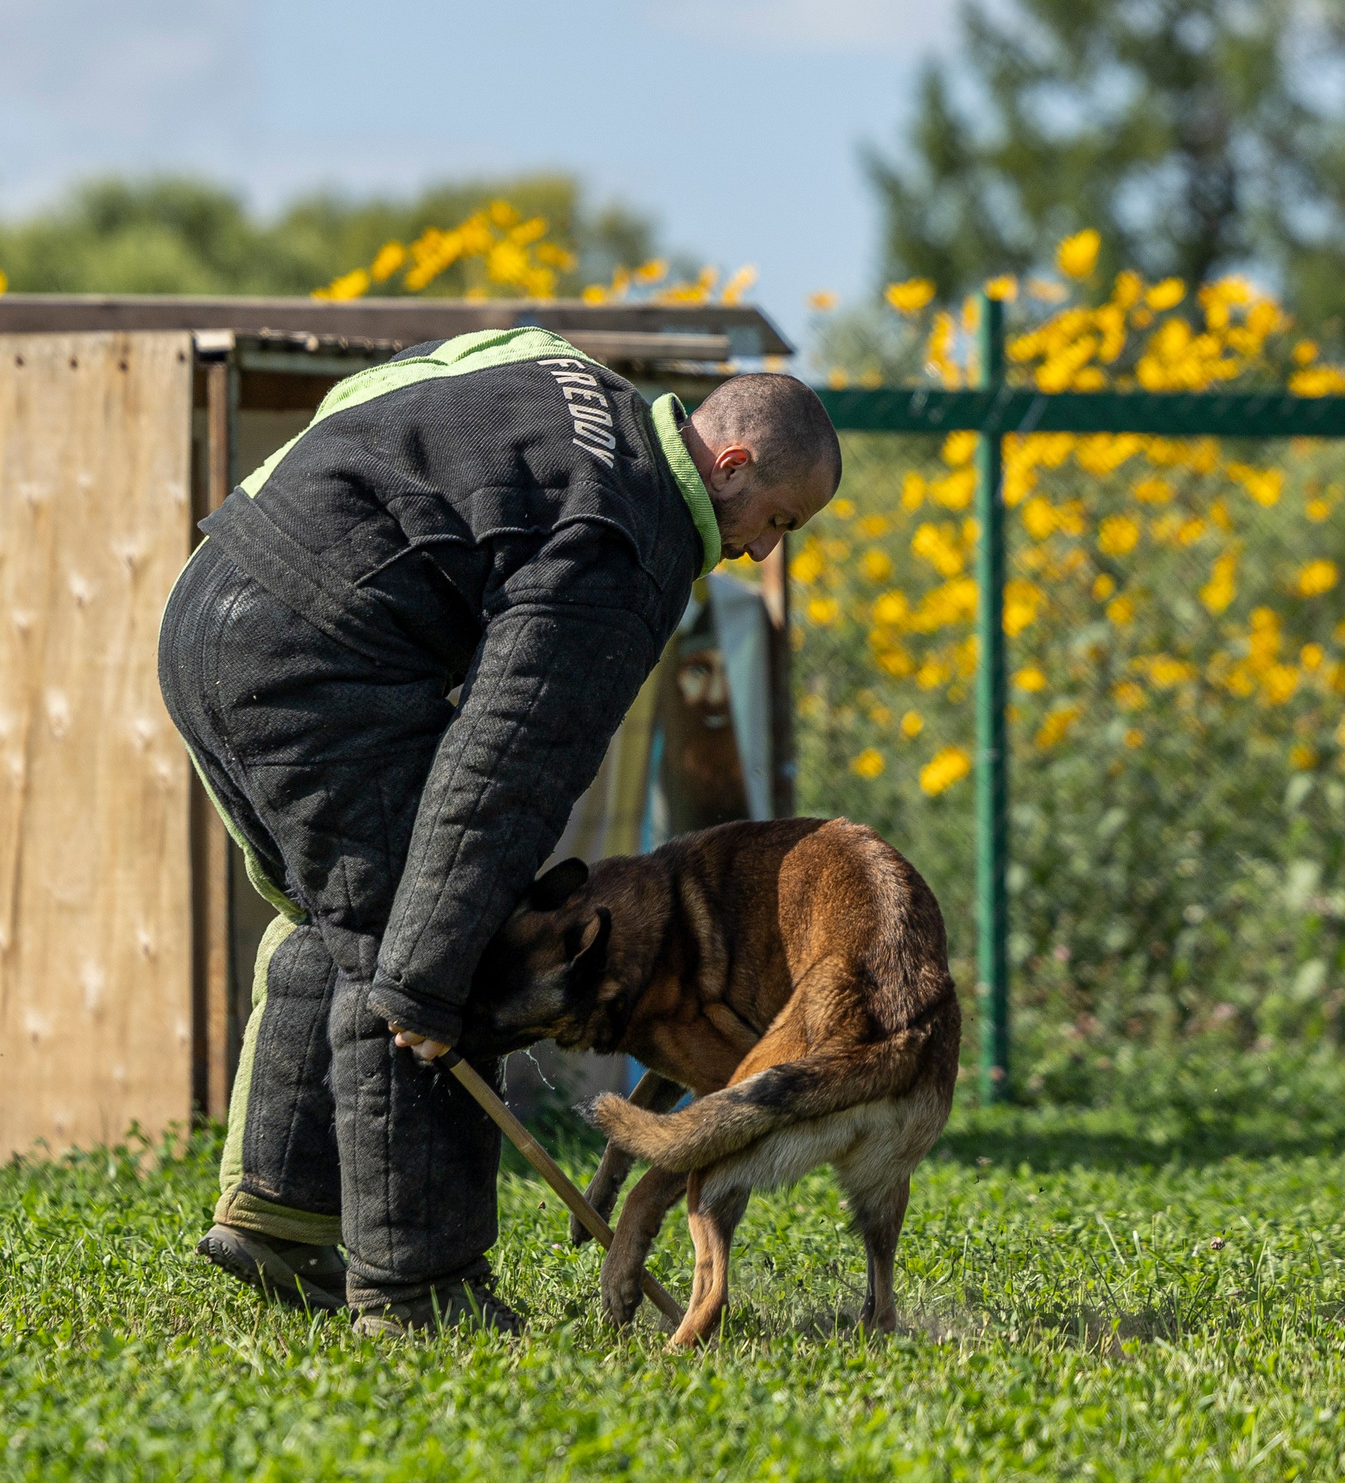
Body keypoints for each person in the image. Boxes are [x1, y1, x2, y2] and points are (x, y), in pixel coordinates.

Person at [157, 325, 839, 1336]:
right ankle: (419, 1286)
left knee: (349, 910)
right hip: (311, 661)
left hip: (214, 593)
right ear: (730, 464)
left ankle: (280, 1212)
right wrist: (439, 972)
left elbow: (377, 389)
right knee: (431, 945)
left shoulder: (566, 374)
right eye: (775, 517)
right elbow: (508, 767)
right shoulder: (628, 537)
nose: (761, 549)